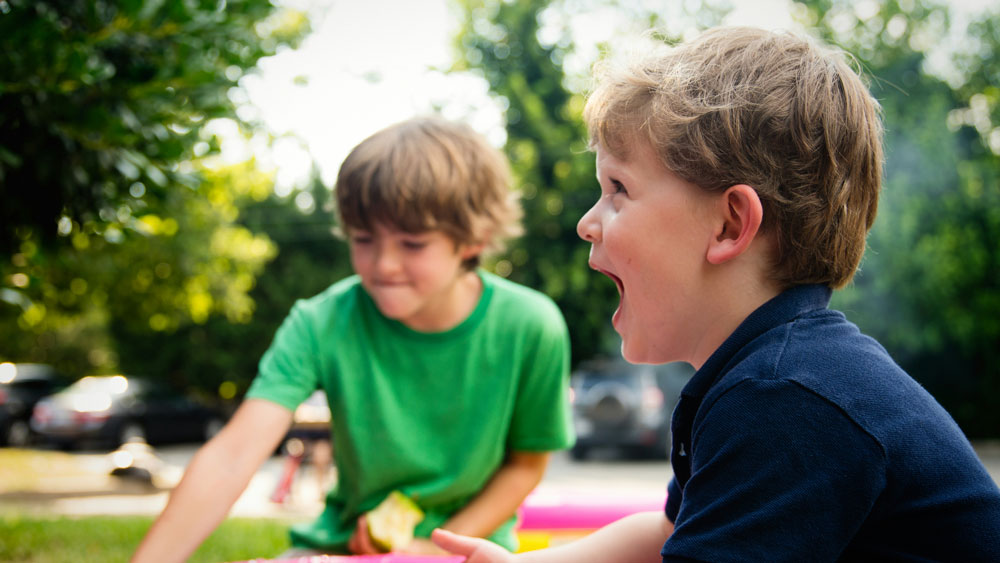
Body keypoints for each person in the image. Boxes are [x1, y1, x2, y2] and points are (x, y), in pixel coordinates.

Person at [431, 26, 1000, 562]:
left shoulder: (786, 400)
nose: (586, 222)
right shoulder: (766, 374)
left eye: (618, 189)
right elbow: (667, 535)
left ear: (729, 225)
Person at [131, 116, 575, 562]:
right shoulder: (321, 322)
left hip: (468, 553)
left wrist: (432, 548)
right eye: (363, 239)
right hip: (340, 549)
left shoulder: (531, 325)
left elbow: (525, 465)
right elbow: (232, 456)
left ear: (473, 238)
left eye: (412, 244)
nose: (383, 264)